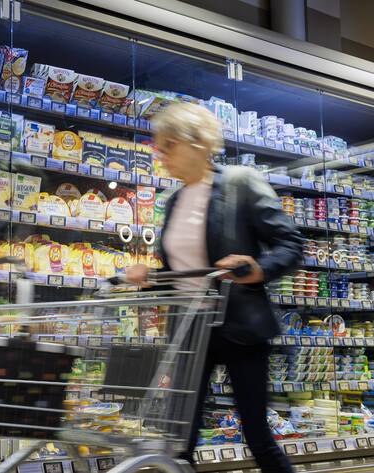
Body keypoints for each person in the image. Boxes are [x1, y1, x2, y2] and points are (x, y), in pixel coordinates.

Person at [126, 102, 303, 473]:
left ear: (198, 142)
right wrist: (150, 278)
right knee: (180, 441)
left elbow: (290, 245)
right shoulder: (174, 201)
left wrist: (257, 269)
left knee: (257, 436)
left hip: (240, 329)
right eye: (159, 146)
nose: (161, 155)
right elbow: (184, 271)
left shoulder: (240, 183)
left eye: (169, 144)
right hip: (190, 332)